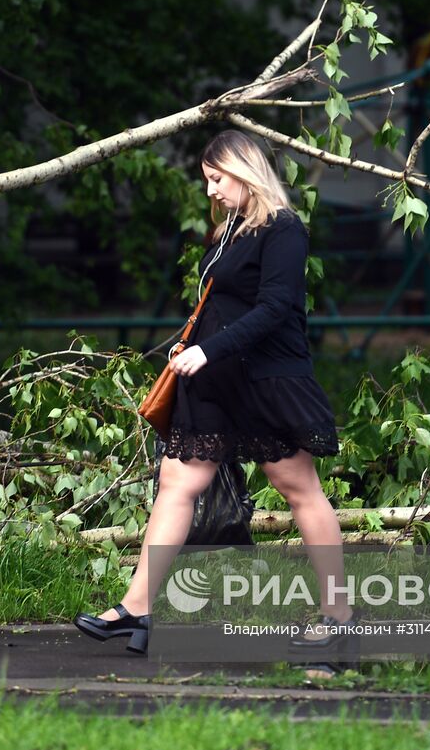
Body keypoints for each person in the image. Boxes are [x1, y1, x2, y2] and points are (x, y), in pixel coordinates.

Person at [73, 129, 355, 656]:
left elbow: (275, 309)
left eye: (217, 178)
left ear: (245, 170)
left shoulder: (284, 229)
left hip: (266, 378)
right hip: (214, 380)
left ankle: (338, 613)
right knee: (176, 481)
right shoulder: (228, 232)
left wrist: (210, 349)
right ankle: (136, 607)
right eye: (207, 180)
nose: (210, 191)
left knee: (298, 488)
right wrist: (195, 351)